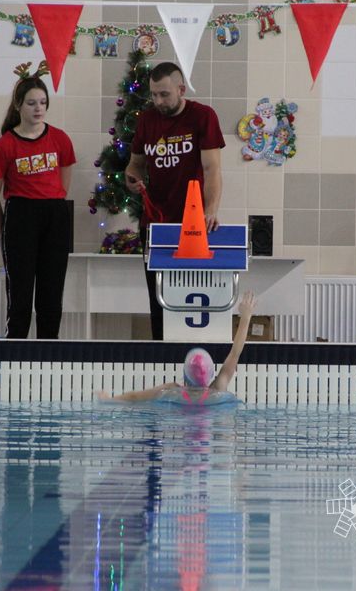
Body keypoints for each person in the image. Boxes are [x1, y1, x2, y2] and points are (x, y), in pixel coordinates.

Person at [125, 62, 226, 340]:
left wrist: (210, 211)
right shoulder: (147, 120)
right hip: (156, 225)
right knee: (159, 303)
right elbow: (134, 165)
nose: (158, 101)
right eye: (154, 95)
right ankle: (162, 367)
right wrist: (132, 180)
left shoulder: (202, 116)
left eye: (165, 94)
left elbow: (212, 169)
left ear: (181, 90)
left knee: (190, 297)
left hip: (191, 225)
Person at [0, 65, 76, 339]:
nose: (38, 109)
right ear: (19, 106)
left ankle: (48, 359)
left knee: (51, 296)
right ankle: (15, 359)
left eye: (43, 103)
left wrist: (52, 206)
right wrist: (7, 229)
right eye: (32, 103)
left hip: (54, 216)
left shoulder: (60, 139)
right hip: (20, 216)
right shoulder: (5, 145)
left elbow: (64, 183)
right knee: (20, 298)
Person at [98, 291, 257, 403]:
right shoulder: (218, 389)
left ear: (185, 373)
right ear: (210, 373)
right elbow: (235, 353)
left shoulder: (172, 391)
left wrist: (109, 400)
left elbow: (135, 398)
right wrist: (246, 317)